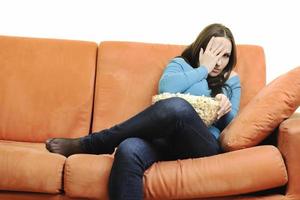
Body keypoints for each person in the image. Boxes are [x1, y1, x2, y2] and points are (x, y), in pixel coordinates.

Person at [45, 23, 241, 200]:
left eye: (225, 56)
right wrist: (203, 70)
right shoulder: (180, 65)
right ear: (202, 48)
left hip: (201, 144)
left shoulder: (231, 79)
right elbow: (166, 88)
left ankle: (93, 143)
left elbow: (231, 125)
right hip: (164, 142)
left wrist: (224, 107)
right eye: (214, 53)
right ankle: (99, 144)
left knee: (178, 106)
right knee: (128, 149)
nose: (218, 62)